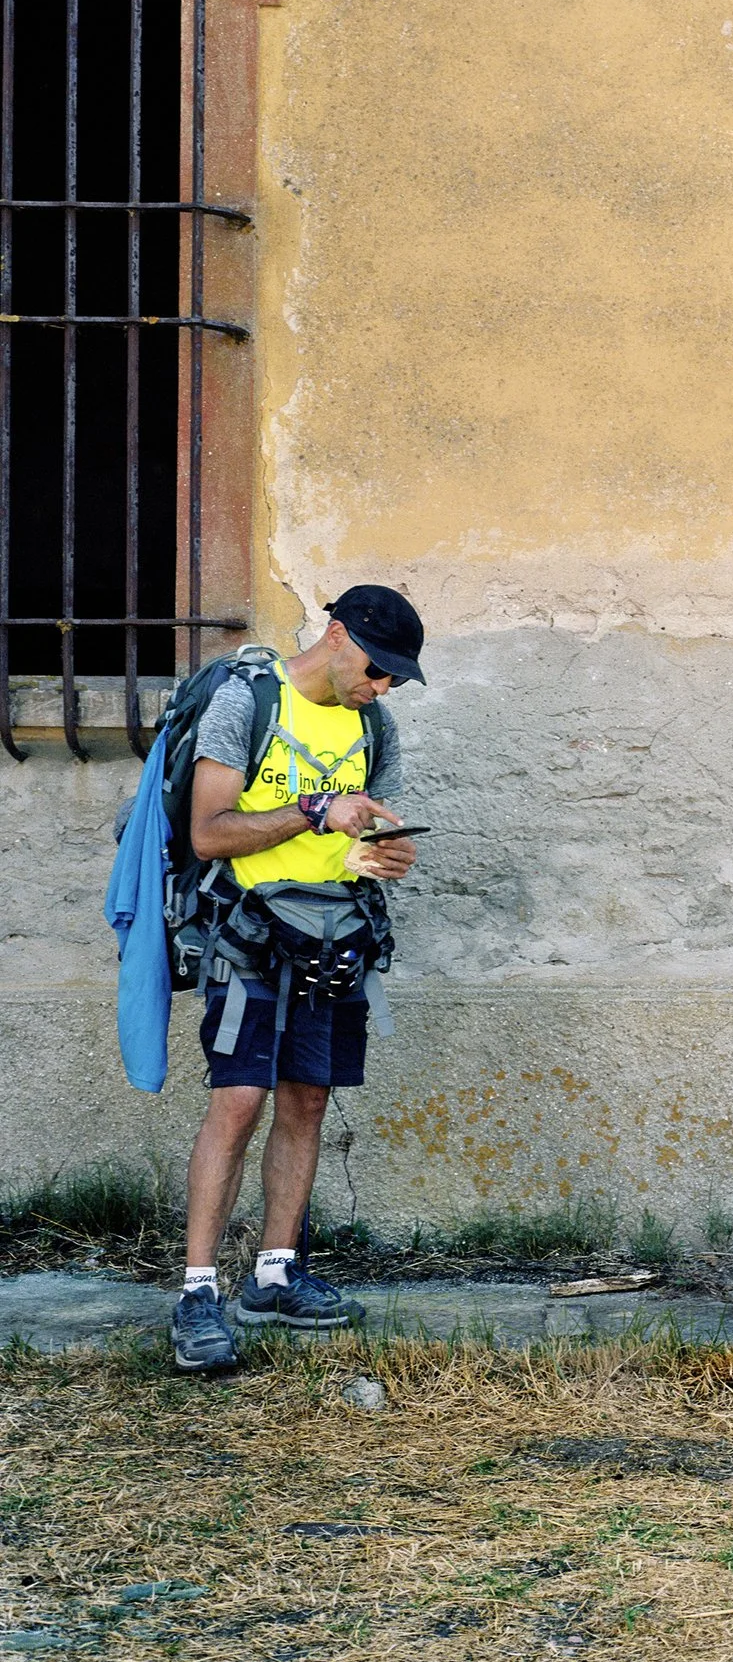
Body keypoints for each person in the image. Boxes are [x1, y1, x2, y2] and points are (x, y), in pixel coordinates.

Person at [170, 588, 425, 1374]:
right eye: (378, 670)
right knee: (239, 1101)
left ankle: (276, 1274)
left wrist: (383, 852)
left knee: (308, 1100)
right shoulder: (250, 702)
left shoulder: (371, 725)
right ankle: (197, 1293)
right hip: (247, 934)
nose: (381, 688)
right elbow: (209, 832)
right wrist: (316, 809)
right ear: (338, 635)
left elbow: (368, 828)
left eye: (394, 680)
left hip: (334, 934)